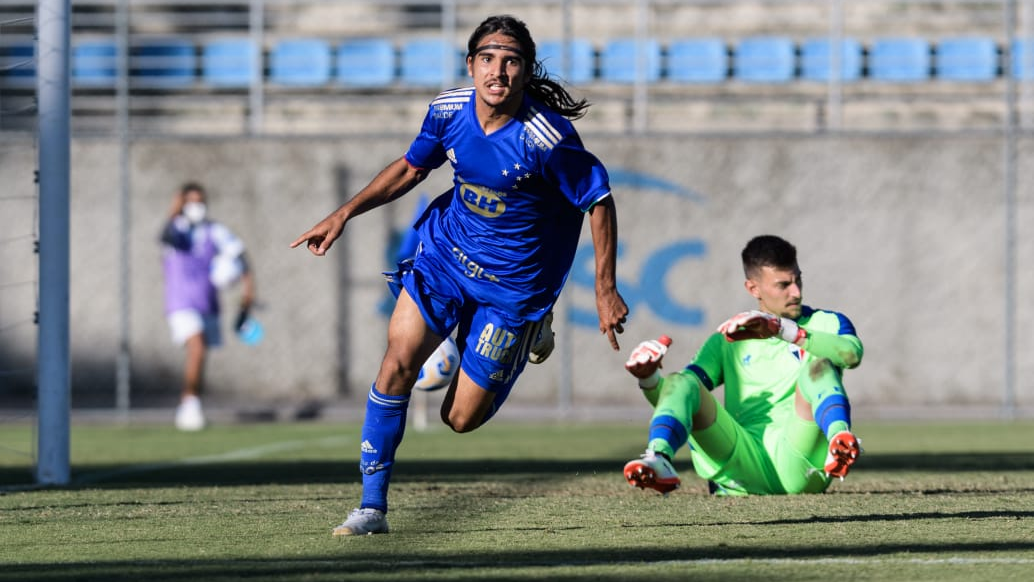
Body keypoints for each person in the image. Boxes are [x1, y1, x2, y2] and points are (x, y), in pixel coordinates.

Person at [291, 14, 628, 536]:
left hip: (514, 288)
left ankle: (526, 334)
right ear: (471, 65)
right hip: (445, 257)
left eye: (512, 60)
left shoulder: (548, 138)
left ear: (525, 70)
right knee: (397, 364)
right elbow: (409, 168)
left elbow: (599, 201)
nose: (499, 71)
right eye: (488, 59)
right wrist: (343, 213)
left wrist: (604, 288)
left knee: (460, 419)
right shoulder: (448, 111)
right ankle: (371, 507)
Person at [623, 235, 862, 496]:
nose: (796, 292)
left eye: (798, 280)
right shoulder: (728, 338)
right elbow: (680, 399)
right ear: (753, 288)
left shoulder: (826, 323)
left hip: (800, 464)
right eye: (783, 285)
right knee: (682, 380)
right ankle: (659, 456)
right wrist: (648, 381)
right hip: (740, 465)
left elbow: (851, 354)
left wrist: (785, 331)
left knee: (820, 367)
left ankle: (840, 442)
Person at [161, 182, 255, 431]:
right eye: (190, 202)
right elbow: (166, 236)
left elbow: (242, 261)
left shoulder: (215, 231)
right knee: (197, 346)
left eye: (199, 201)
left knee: (200, 356)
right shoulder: (176, 229)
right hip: (181, 302)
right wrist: (174, 209)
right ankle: (189, 403)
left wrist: (247, 298)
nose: (196, 207)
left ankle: (192, 402)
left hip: (207, 304)